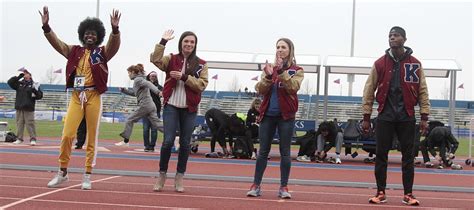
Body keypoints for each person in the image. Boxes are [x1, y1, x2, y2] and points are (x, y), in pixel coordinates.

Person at [40, 6, 121, 190]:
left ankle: (87, 175)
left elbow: (113, 46)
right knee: (67, 134)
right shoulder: (73, 51)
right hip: (77, 96)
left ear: (98, 36)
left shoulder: (102, 52)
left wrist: (115, 31)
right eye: (86, 33)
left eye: (93, 34)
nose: (89, 36)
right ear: (82, 35)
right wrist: (46, 27)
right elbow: (57, 43)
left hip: (93, 95)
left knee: (92, 137)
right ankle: (62, 172)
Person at [362, 26, 430, 206]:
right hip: (385, 115)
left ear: (404, 39)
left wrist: (424, 116)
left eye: (396, 35)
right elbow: (369, 90)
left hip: (407, 115)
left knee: (408, 157)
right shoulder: (380, 63)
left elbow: (422, 90)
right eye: (390, 36)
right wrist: (366, 116)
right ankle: (380, 192)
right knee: (381, 155)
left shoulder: (415, 64)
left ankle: (408, 194)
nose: (392, 38)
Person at [150, 30, 208, 192]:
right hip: (171, 106)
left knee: (184, 143)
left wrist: (184, 77)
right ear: (181, 43)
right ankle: (162, 174)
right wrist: (162, 41)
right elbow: (155, 59)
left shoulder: (202, 64)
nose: (188, 44)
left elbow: (202, 85)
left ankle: (179, 176)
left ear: (195, 45)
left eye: (192, 42)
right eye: (186, 41)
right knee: (168, 141)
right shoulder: (171, 58)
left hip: (189, 109)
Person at [247, 38, 304, 199]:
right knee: (262, 152)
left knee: (285, 152)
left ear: (290, 50)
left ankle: (283, 187)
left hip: (286, 116)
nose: (280, 49)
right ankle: (256, 185)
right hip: (267, 116)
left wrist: (280, 72)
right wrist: (267, 75)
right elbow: (259, 89)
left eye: (283, 47)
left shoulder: (297, 70)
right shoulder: (269, 68)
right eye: (277, 47)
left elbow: (293, 88)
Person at [115, 64, 162, 147]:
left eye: (129, 73)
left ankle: (126, 142)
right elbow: (135, 93)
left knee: (129, 120)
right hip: (151, 105)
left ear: (133, 72)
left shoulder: (138, 79)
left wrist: (158, 92)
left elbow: (148, 84)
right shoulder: (139, 80)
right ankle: (175, 133)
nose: (128, 75)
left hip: (145, 105)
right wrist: (124, 90)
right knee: (158, 125)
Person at [8, 69, 43, 145]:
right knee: (19, 123)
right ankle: (19, 138)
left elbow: (39, 96)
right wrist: (19, 76)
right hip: (19, 107)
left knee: (30, 124)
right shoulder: (19, 83)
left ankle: (33, 139)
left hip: (29, 108)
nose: (25, 74)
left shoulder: (34, 84)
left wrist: (35, 89)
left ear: (30, 75)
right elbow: (10, 82)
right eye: (24, 73)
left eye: (27, 73)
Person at [142, 71, 163, 152]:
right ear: (149, 77)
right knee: (145, 129)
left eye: (154, 76)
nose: (153, 77)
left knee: (154, 130)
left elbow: (162, 93)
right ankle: (146, 146)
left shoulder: (159, 87)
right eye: (152, 76)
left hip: (155, 110)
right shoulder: (145, 86)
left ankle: (152, 146)